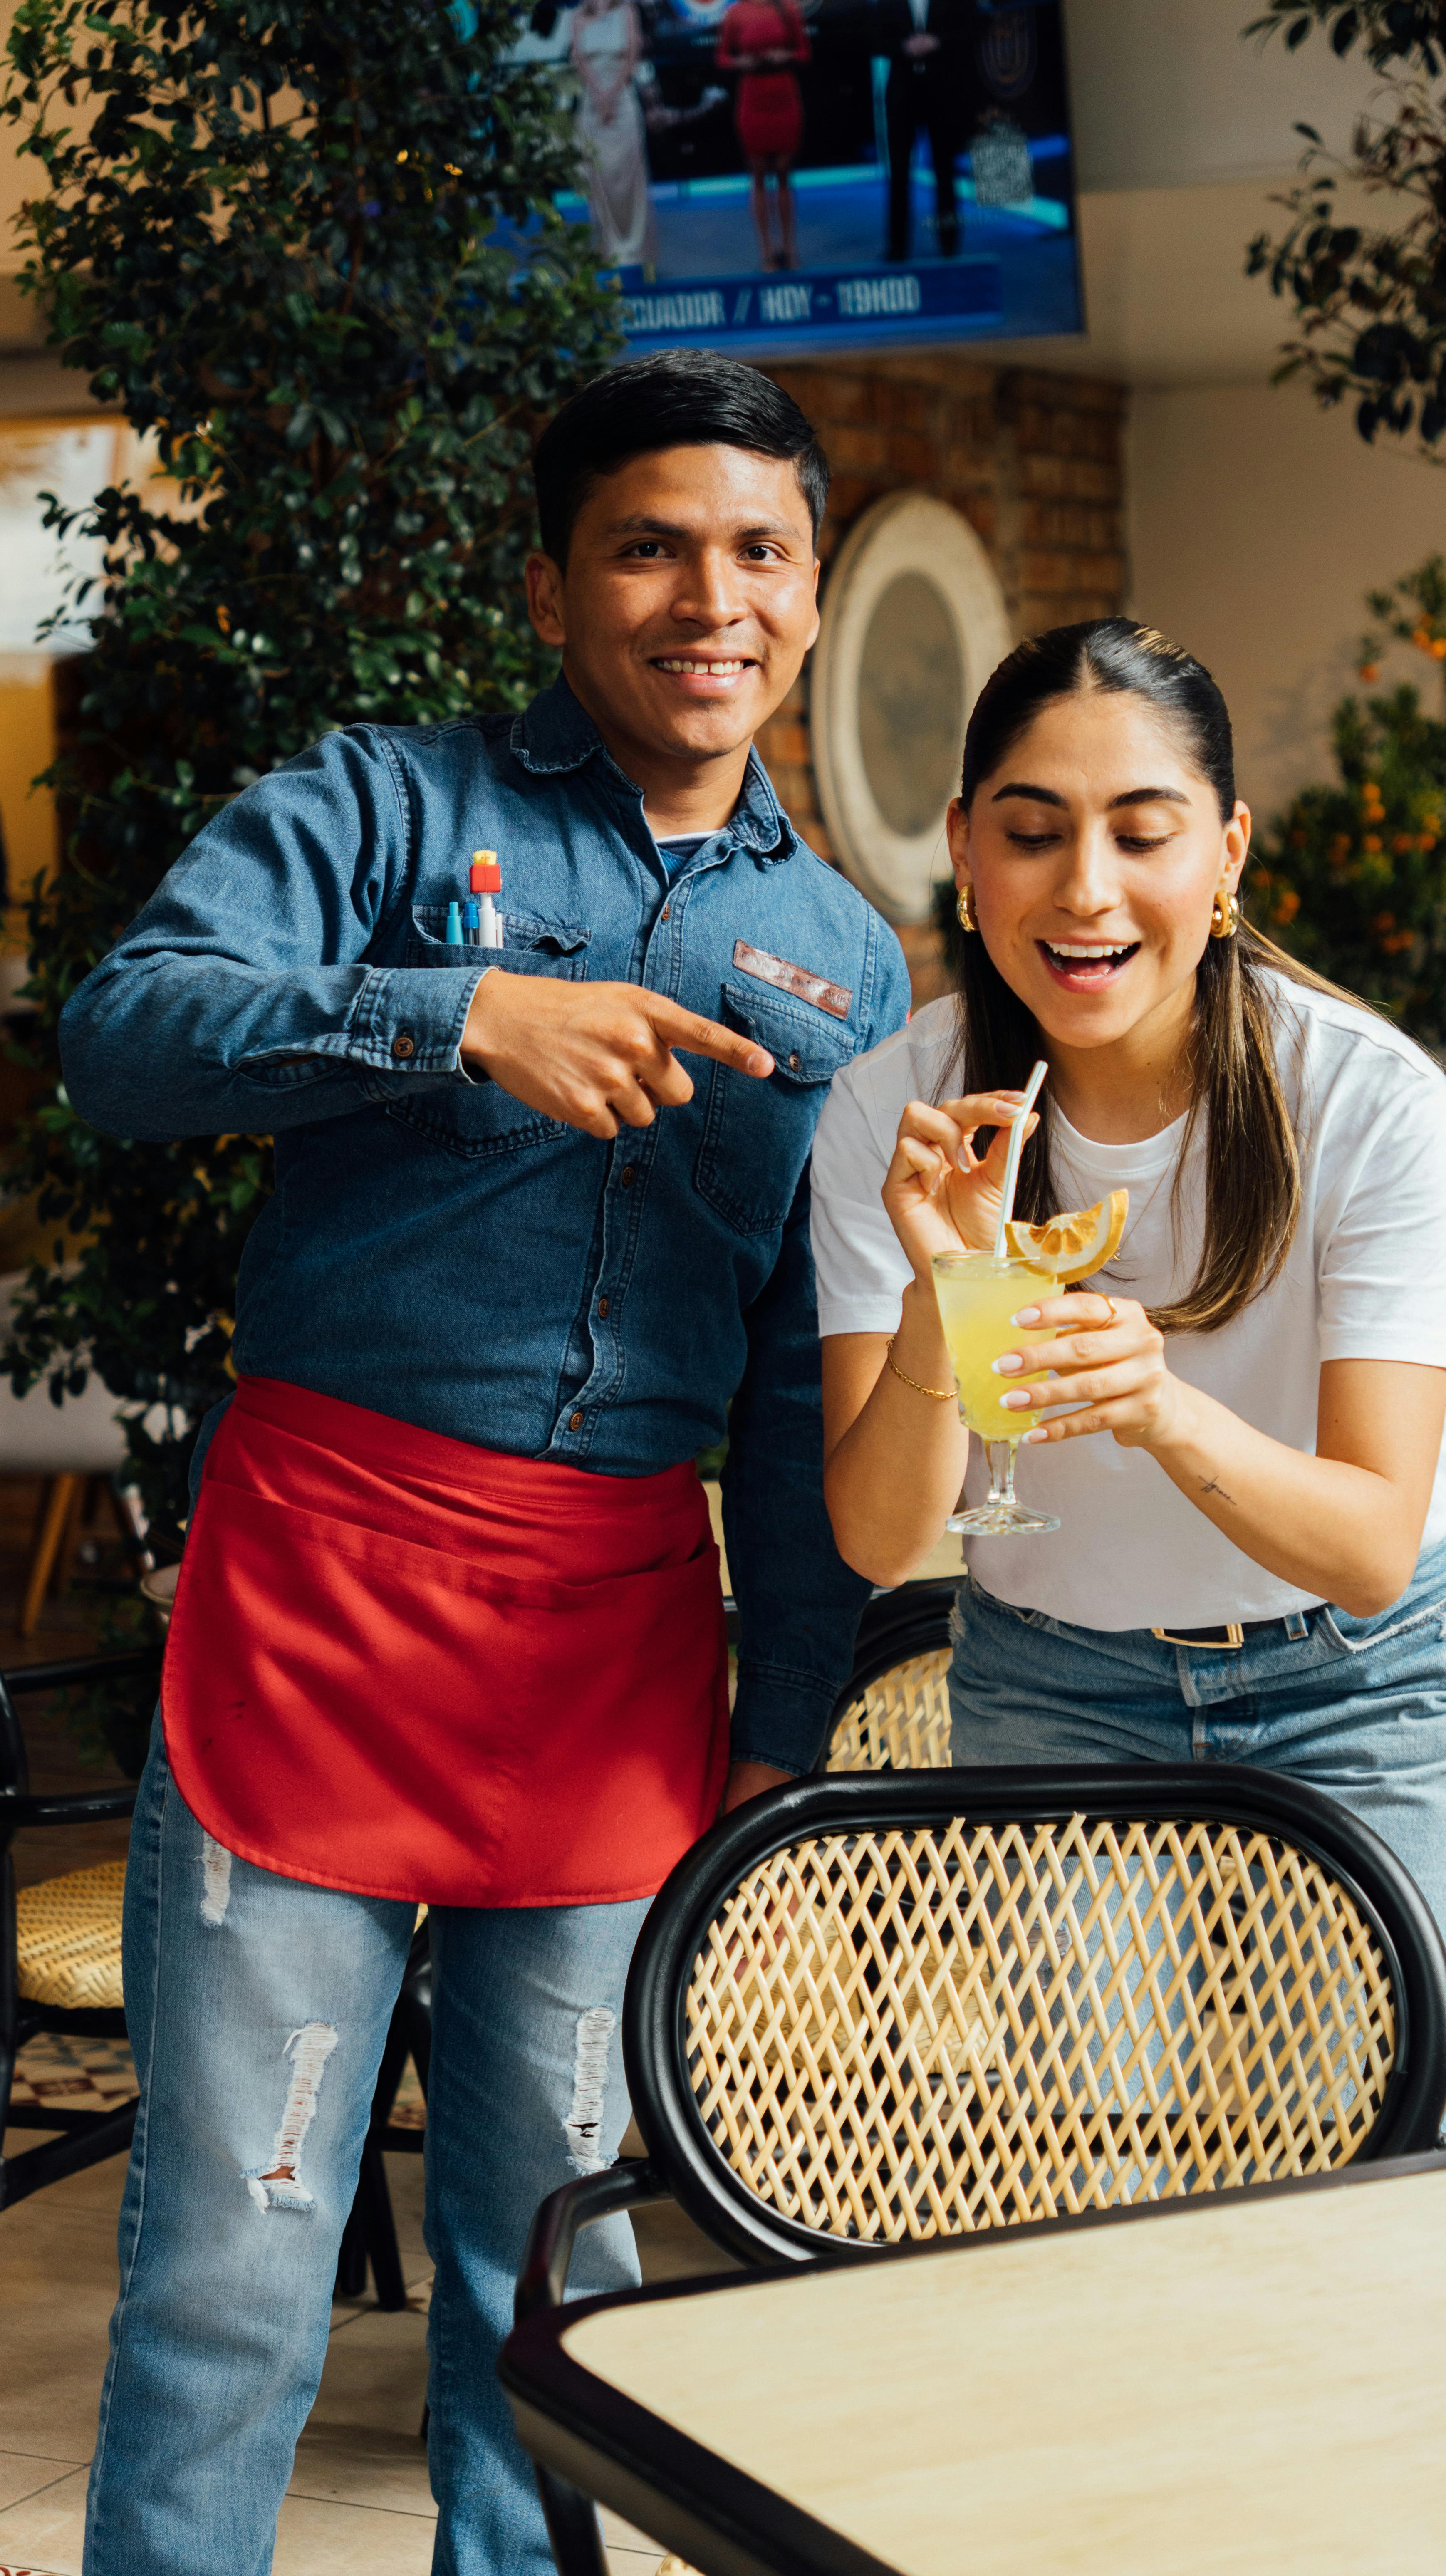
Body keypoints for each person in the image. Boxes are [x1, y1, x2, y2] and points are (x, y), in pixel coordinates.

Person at [61, 351, 909, 2576]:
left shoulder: (845, 964)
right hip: (315, 1608)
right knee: (237, 2272)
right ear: (550, 589)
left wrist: (790, 1730)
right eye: (647, 546)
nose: (702, 596)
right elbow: (124, 1033)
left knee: (562, 2288)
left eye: (754, 552)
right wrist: (450, 1014)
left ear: (807, 598)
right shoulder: (368, 808)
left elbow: (802, 1388)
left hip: (624, 1646)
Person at [811, 619, 1446, 2009]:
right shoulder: (893, 1115)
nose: (1086, 891)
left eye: (1142, 835)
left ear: (1227, 854)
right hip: (1057, 1693)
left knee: (1332, 2154)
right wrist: (937, 1299)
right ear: (962, 847)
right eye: (1032, 833)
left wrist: (1155, 1407)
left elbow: (1373, 1546)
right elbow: (887, 1544)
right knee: (1099, 2169)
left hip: (1366, 1688)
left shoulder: (1361, 1100)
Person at [877, 0, 977, 263]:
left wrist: (938, 42)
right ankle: (897, 247)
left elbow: (972, 30)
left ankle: (949, 245)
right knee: (898, 174)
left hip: (943, 95)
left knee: (945, 172)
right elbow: (873, 37)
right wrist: (903, 47)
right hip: (901, 98)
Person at [717, 0, 812, 272]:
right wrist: (741, 61)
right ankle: (767, 252)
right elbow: (722, 58)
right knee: (758, 174)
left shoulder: (788, 9)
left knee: (784, 172)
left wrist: (787, 56)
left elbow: (804, 52)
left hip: (784, 95)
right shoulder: (735, 13)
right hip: (753, 97)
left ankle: (789, 248)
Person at [569, 0, 658, 269]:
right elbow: (578, 59)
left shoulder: (627, 11)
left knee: (629, 174)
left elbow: (633, 54)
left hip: (623, 100)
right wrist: (598, 94)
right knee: (599, 176)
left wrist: (613, 94)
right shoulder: (577, 17)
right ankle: (609, 248)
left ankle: (635, 249)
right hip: (592, 104)